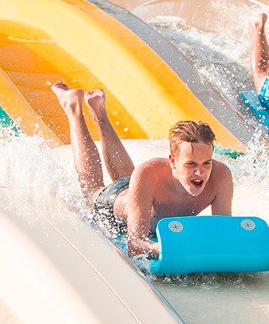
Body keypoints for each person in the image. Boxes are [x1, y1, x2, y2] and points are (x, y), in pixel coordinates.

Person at [56, 82, 234, 259]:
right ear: (173, 161)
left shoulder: (221, 177)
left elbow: (223, 233)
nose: (200, 172)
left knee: (128, 177)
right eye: (191, 164)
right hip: (114, 204)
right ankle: (73, 108)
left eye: (206, 163)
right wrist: (174, 247)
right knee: (91, 192)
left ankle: (100, 113)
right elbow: (135, 245)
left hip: (140, 192)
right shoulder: (149, 172)